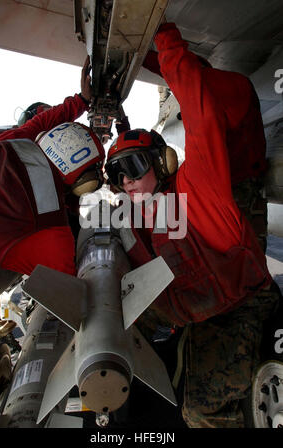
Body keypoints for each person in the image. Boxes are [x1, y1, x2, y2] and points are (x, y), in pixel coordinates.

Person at [104, 22, 280, 428]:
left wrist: (163, 40)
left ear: (163, 164)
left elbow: (200, 108)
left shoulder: (199, 187)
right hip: (189, 308)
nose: (126, 181)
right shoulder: (139, 208)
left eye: (132, 168)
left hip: (235, 306)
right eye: (117, 175)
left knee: (200, 414)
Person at [143, 33, 268, 253]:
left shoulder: (215, 89)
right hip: (246, 184)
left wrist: (161, 38)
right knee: (249, 256)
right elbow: (177, 74)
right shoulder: (229, 85)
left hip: (237, 188)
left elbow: (184, 78)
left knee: (238, 256)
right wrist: (142, 57)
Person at [0, 56, 105, 279]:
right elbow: (67, 288)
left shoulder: (4, 143)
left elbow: (38, 124)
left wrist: (80, 100)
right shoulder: (54, 230)